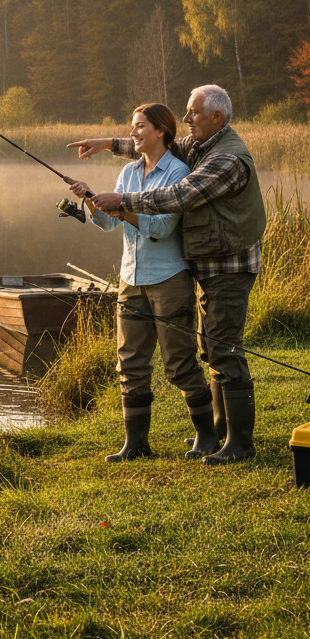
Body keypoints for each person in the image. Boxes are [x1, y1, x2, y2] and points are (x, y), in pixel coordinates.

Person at [67, 84, 266, 465]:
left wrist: (122, 202)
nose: (187, 118)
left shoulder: (226, 159)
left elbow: (180, 196)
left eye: (194, 112)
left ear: (216, 117)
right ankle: (215, 434)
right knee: (208, 349)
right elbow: (155, 145)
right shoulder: (199, 145)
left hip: (229, 266)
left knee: (221, 350)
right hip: (201, 265)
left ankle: (238, 443)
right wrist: (106, 147)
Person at [70, 103, 216, 462]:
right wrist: (90, 200)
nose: (133, 133)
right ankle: (135, 444)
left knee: (179, 363)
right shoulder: (128, 172)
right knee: (130, 363)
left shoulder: (178, 172)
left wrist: (122, 208)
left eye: (140, 126)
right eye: (133, 126)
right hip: (130, 279)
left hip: (169, 279)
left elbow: (163, 227)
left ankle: (207, 436)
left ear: (161, 131)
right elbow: (109, 224)